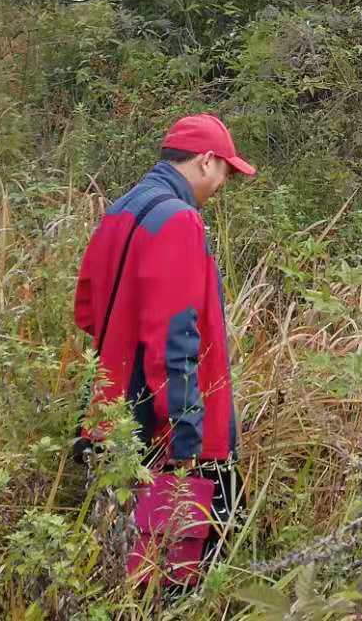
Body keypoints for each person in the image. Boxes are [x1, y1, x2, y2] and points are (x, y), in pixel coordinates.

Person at [74, 114, 255, 577]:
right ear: (205, 161)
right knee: (183, 570)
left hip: (109, 414)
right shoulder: (179, 220)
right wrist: (187, 439)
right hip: (162, 430)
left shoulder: (122, 209)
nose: (223, 184)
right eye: (225, 172)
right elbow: (174, 339)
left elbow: (87, 313)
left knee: (120, 566)